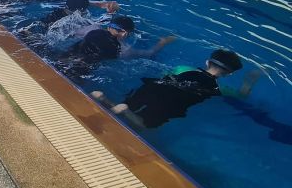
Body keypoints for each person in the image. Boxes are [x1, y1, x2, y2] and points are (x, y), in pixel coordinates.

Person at [92, 49, 261, 129]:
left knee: (132, 101)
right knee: (145, 125)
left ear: (207, 62)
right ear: (228, 74)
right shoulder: (220, 88)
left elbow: (165, 75)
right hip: (175, 101)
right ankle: (126, 112)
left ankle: (105, 99)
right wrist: (249, 81)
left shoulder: (183, 68)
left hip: (152, 88)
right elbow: (242, 95)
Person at [68, 15, 175, 64]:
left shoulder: (93, 29)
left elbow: (72, 34)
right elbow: (149, 53)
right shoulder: (124, 49)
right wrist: (162, 43)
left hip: (69, 53)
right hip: (85, 65)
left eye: (127, 32)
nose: (124, 35)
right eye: (121, 31)